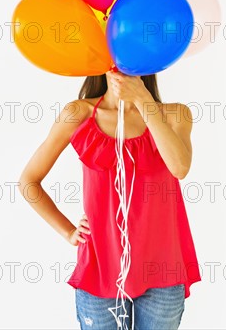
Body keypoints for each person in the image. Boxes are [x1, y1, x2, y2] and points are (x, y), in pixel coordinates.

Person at [18, 69, 201, 329]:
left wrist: (143, 100)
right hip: (100, 271)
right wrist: (69, 232)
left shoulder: (175, 115)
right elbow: (28, 182)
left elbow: (180, 167)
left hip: (163, 270)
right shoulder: (78, 114)